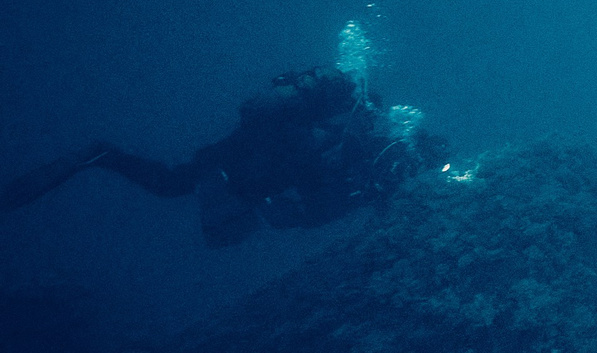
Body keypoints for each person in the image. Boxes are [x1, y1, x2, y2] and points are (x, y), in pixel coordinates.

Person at [2, 66, 444, 246]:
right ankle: (101, 154)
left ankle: (100, 156)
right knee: (175, 190)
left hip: (230, 159)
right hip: (236, 171)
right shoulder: (324, 141)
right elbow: (314, 192)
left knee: (174, 185)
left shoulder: (319, 130)